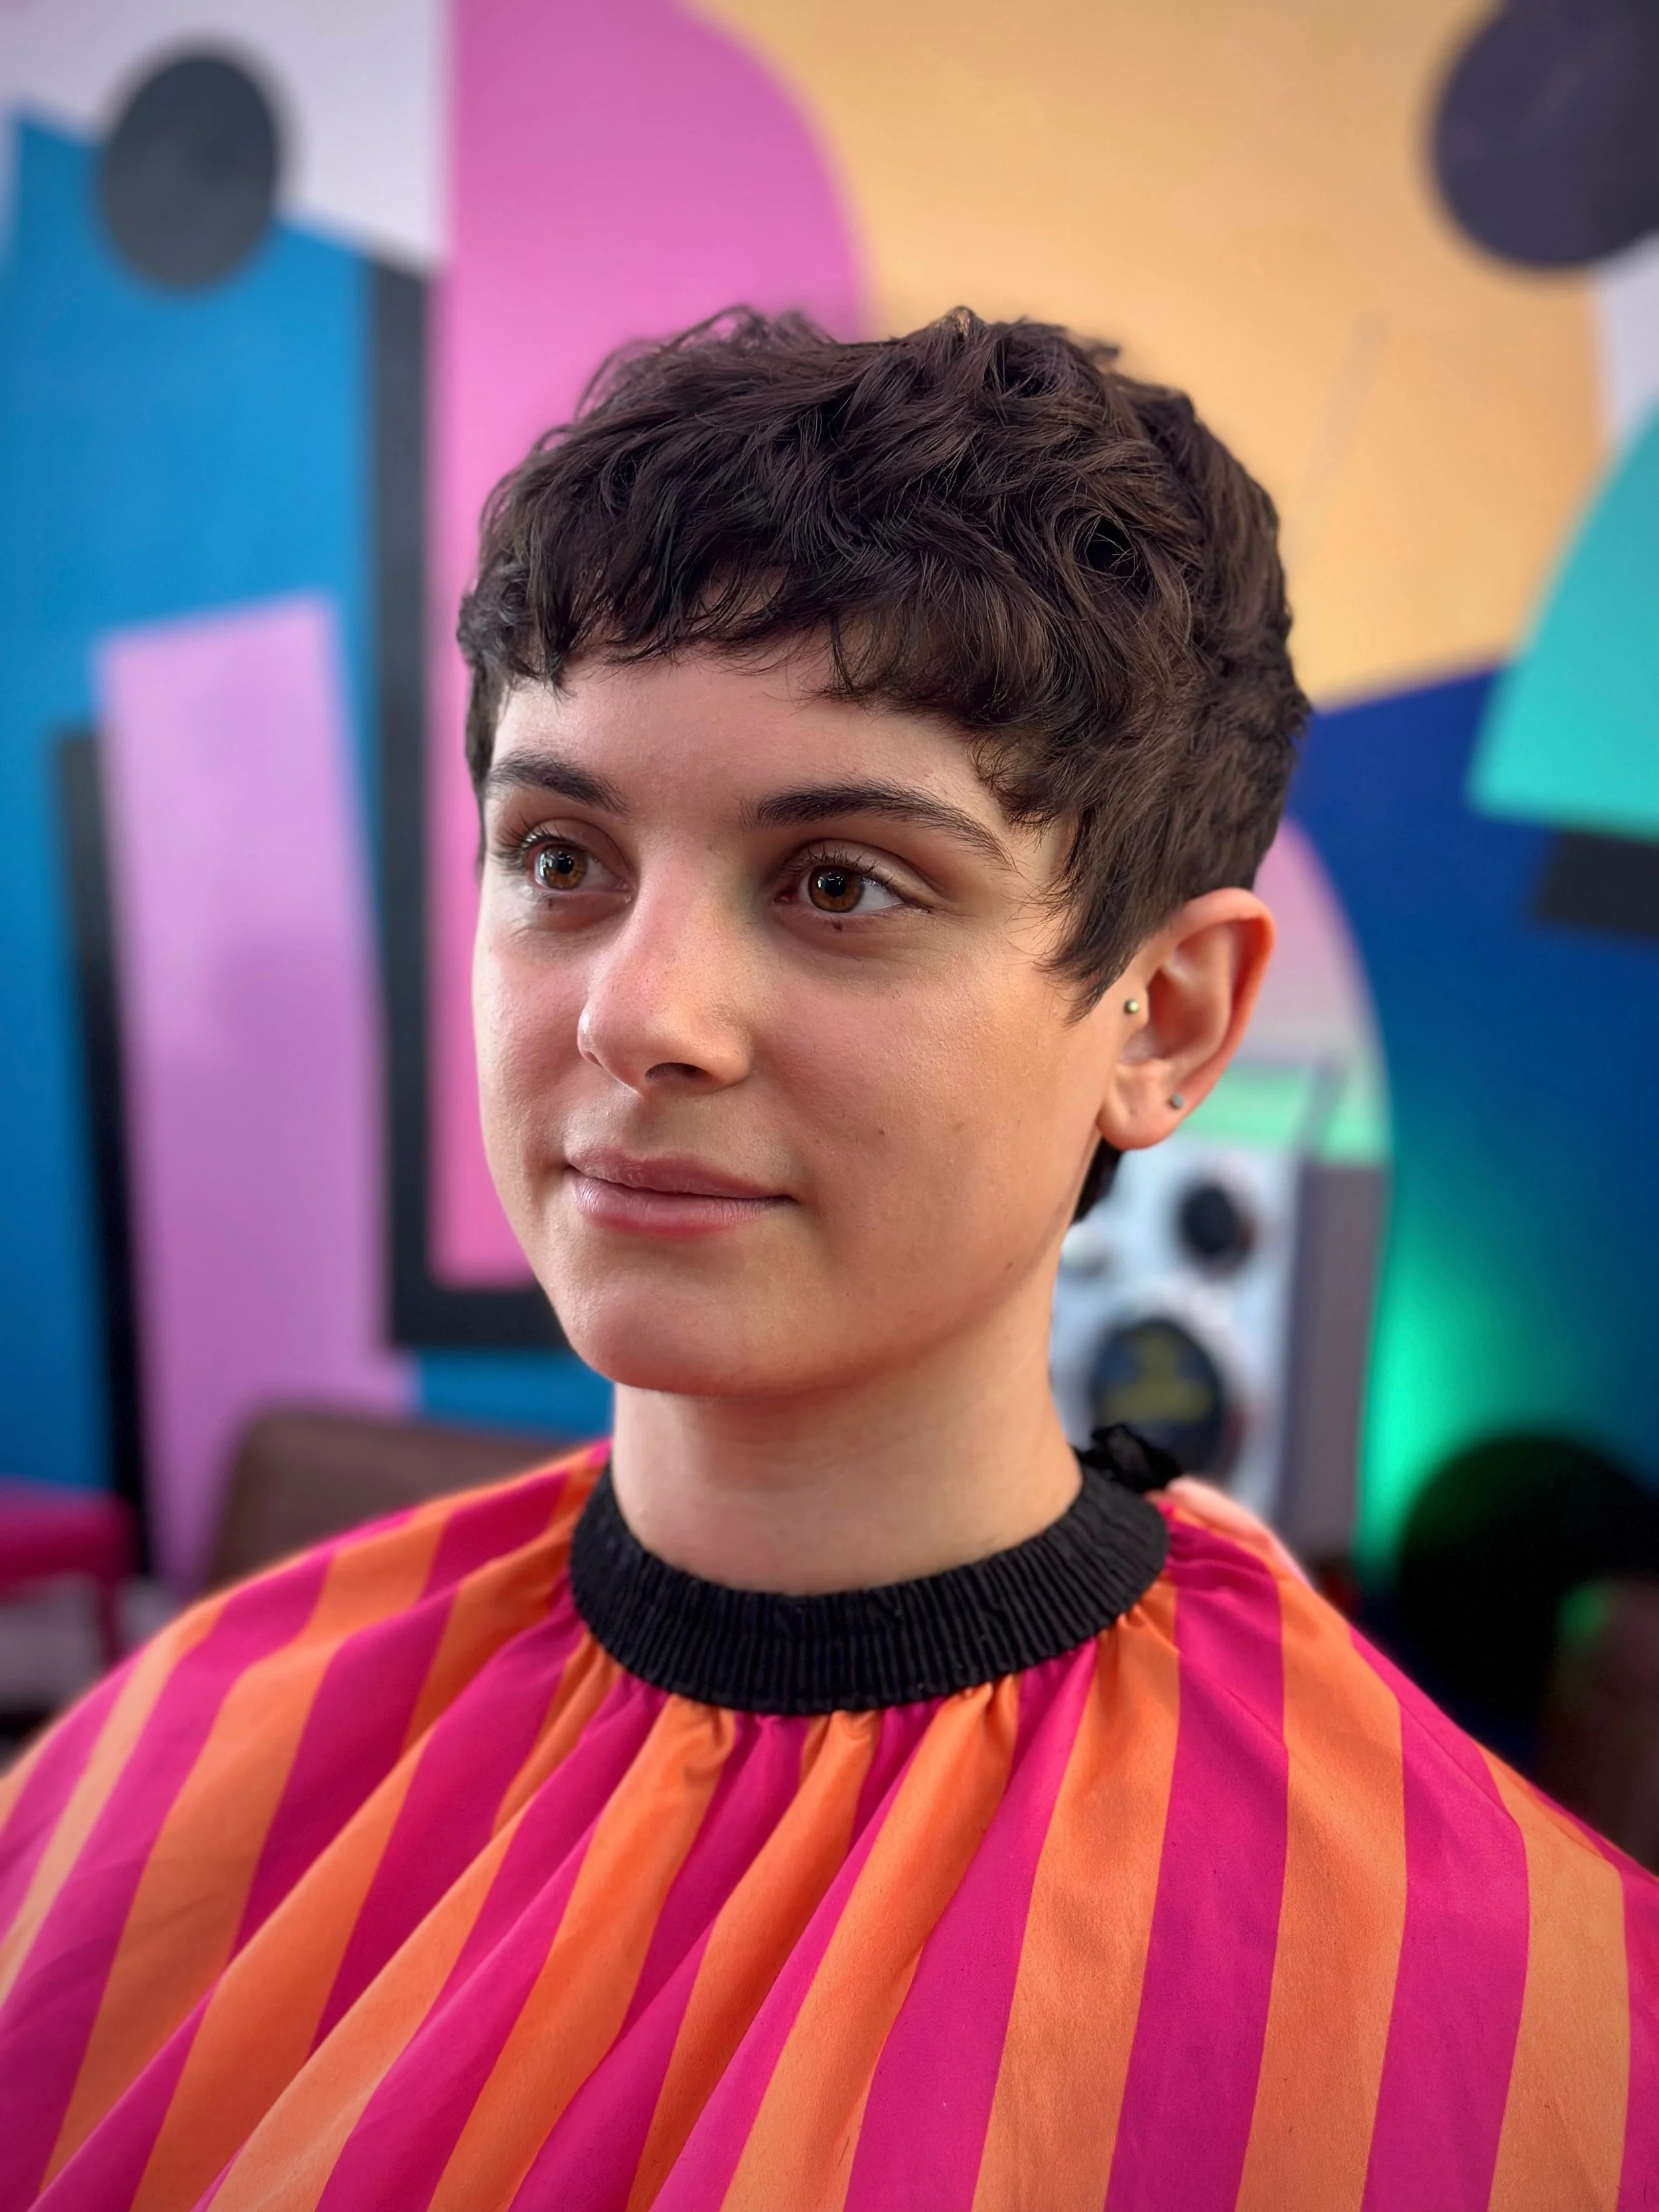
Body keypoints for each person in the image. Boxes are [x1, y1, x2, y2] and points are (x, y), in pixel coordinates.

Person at [0, 311, 1650, 2212]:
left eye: (840, 880)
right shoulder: (179, 1750)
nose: (639, 1015)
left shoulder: (1498, 2010)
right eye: (559, 856)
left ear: (1164, 1018)